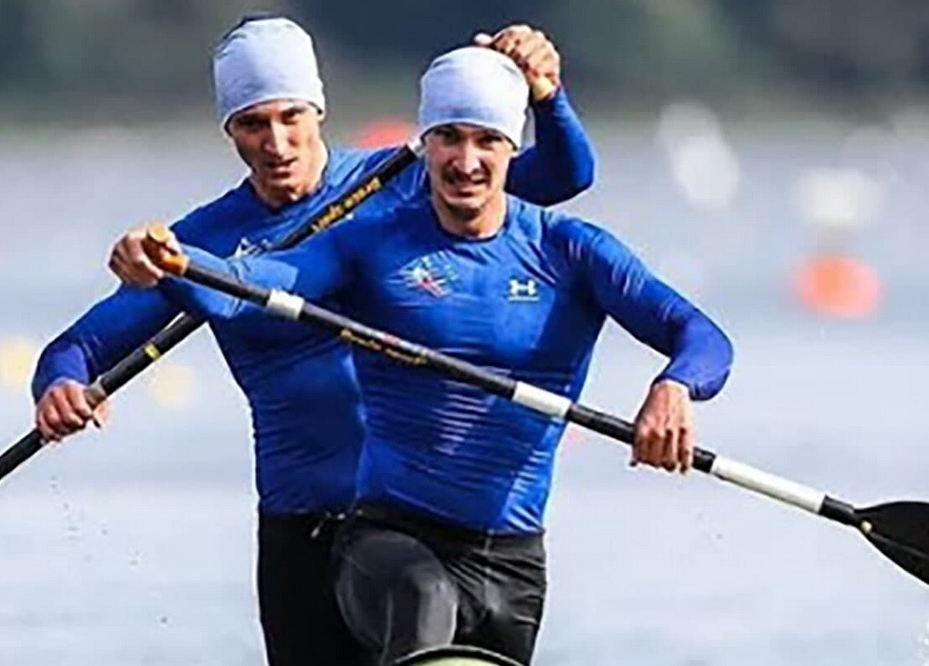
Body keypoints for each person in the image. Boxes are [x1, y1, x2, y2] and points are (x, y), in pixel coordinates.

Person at [132, 45, 734, 666]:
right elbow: (249, 289)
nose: (465, 162)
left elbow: (702, 336)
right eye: (448, 138)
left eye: (486, 141)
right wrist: (174, 262)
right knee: (424, 605)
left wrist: (674, 387)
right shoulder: (370, 245)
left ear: (512, 148)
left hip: (513, 563)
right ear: (425, 144)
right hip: (389, 542)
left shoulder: (572, 251)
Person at [31, 15, 596, 666]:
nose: (276, 143)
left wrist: (546, 95)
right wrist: (60, 386)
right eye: (253, 123)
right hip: (303, 532)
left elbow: (564, 175)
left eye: (291, 117)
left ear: (318, 110)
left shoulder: (407, 183)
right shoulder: (201, 243)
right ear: (229, 130)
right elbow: (76, 349)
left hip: (420, 535)